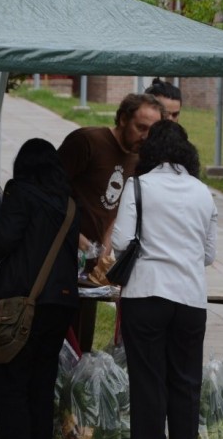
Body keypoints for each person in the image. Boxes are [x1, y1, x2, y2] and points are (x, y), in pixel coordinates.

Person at [112, 120, 218, 439]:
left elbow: (122, 241)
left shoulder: (138, 186)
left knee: (147, 380)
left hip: (147, 292)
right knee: (186, 382)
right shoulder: (203, 191)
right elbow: (209, 254)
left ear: (150, 151)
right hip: (191, 296)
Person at [0, 138, 80, 439]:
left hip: (25, 301)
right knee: (41, 381)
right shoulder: (68, 203)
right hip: (62, 302)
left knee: (12, 381)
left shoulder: (20, 192)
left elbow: (4, 240)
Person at [58, 93, 165, 351]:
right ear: (122, 118)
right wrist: (78, 239)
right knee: (58, 333)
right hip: (61, 252)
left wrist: (106, 245)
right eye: (141, 127)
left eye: (153, 131)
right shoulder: (87, 141)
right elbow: (51, 191)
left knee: (82, 337)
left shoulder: (138, 159)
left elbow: (117, 208)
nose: (146, 137)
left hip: (92, 262)